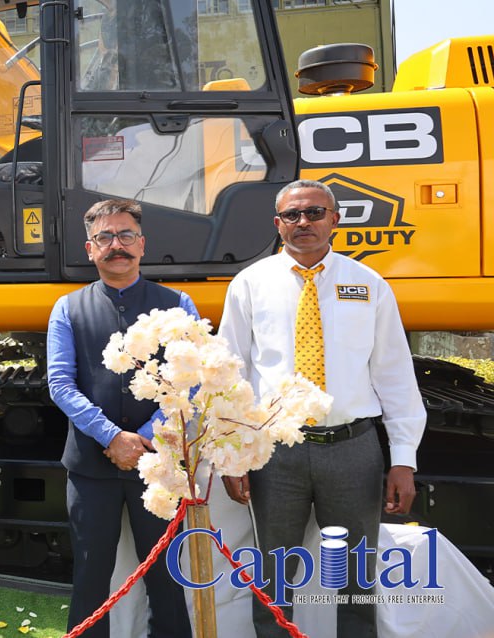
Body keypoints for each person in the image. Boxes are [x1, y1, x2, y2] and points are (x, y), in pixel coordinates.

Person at [218, 179, 426, 638]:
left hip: (353, 450)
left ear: (335, 219)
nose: (303, 222)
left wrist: (403, 460)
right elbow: (230, 375)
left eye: (314, 212)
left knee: (356, 575)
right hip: (275, 452)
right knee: (274, 573)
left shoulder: (368, 284)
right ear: (277, 224)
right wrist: (232, 454)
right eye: (292, 215)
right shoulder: (250, 284)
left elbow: (394, 375)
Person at [46, 199, 196, 638]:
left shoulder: (178, 304)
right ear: (90, 248)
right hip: (90, 468)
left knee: (166, 577)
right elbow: (60, 384)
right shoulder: (67, 308)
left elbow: (191, 382)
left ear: (142, 244)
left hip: (160, 464)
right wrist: (112, 437)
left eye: (126, 235)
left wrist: (144, 437)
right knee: (90, 575)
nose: (117, 245)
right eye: (105, 237)